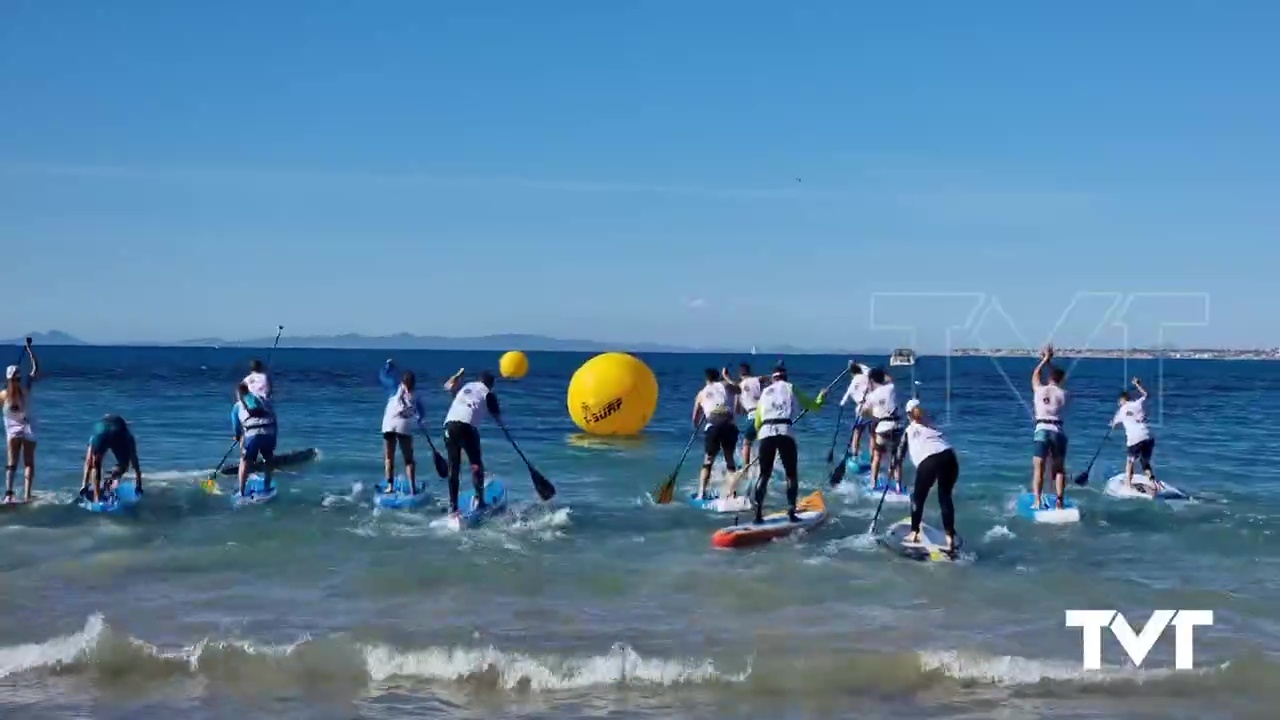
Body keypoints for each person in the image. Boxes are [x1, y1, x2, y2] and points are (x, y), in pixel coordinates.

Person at [751, 363, 826, 523]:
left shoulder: (764, 393)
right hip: (785, 431)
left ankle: (758, 515)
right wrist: (821, 397)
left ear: (773, 378)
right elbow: (814, 406)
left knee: (764, 475)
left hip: (765, 432)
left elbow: (757, 422)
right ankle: (792, 512)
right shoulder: (792, 388)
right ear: (785, 377)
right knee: (791, 474)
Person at [894, 398, 960, 552]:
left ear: (908, 415)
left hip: (929, 460)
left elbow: (898, 455)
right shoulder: (931, 424)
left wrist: (894, 466)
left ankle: (914, 532)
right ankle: (949, 537)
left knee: (918, 497)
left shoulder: (908, 431)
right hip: (949, 456)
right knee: (945, 497)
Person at [442, 368, 501, 518]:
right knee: (475, 465)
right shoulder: (488, 393)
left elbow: (447, 386)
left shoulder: (466, 386)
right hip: (467, 427)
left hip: (449, 425)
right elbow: (496, 414)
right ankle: (480, 501)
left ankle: (452, 508)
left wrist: (457, 376)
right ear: (490, 384)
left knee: (454, 466)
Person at [693, 367, 742, 500]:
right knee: (729, 459)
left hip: (713, 425)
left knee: (708, 460)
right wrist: (726, 376)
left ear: (706, 379)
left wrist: (697, 426)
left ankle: (701, 493)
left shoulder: (701, 393)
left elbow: (695, 418)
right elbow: (739, 389)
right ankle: (732, 494)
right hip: (729, 425)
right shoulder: (726, 385)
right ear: (718, 377)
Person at [1031, 344, 1069, 509]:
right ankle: (1060, 502)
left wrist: (1045, 360)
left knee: (1039, 468)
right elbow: (1059, 380)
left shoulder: (1040, 390)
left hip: (1042, 430)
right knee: (1059, 469)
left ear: (1049, 378)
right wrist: (1050, 363)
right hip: (1058, 431)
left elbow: (1035, 375)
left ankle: (1037, 501)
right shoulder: (1064, 394)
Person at [379, 360, 425, 494]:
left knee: (389, 457)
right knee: (409, 460)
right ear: (414, 383)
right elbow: (421, 414)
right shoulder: (415, 396)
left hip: (389, 425)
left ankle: (390, 487)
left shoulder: (394, 388)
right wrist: (420, 420)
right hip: (403, 426)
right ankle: (412, 489)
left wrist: (387, 366)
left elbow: (383, 376)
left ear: (402, 382)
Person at [2, 340, 38, 502]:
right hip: (28, 428)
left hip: (12, 431)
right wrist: (30, 351)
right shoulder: (26, 386)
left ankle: (9, 494)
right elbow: (36, 368)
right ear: (19, 377)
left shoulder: (3, 395)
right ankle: (27, 495)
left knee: (12, 463)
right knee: (28, 463)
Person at [1113, 376, 1161, 494]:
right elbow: (1146, 395)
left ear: (1121, 400)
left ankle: (1128, 485)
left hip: (1134, 439)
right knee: (1145, 462)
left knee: (1130, 462)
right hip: (1147, 436)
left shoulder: (1121, 411)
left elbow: (1114, 425)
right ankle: (1153, 482)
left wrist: (1114, 423)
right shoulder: (1137, 404)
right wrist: (1138, 384)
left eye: (1119, 402)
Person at [861, 367, 904, 492]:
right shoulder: (892, 388)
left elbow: (863, 413)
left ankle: (873, 484)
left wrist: (872, 414)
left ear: (872, 380)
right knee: (896, 458)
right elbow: (890, 380)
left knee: (877, 456)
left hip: (882, 428)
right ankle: (898, 486)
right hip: (898, 427)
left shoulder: (872, 395)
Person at [82, 414, 142, 503]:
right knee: (123, 465)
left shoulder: (100, 427)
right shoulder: (125, 433)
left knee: (95, 464)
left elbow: (91, 462)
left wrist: (85, 484)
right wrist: (138, 484)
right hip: (117, 434)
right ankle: (114, 479)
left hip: (102, 434)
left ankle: (91, 491)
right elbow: (134, 458)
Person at [232, 381, 277, 496]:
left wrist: (237, 436)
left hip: (252, 434)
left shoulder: (237, 406)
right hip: (269, 431)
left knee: (244, 461)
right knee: (269, 459)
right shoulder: (262, 400)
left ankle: (241, 492)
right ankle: (267, 487)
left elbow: (237, 427)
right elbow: (273, 417)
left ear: (238, 394)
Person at [838, 361, 873, 457]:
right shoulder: (867, 378)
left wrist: (842, 404)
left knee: (857, 433)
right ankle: (873, 455)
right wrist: (856, 364)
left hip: (861, 409)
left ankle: (854, 453)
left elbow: (844, 399)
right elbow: (869, 370)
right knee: (872, 434)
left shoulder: (853, 383)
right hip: (873, 408)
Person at [734, 363, 764, 469]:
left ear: (740, 374)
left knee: (747, 442)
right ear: (750, 372)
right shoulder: (757, 380)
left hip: (753, 416)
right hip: (766, 414)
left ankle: (745, 468)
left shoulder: (738, 387)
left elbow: (737, 410)